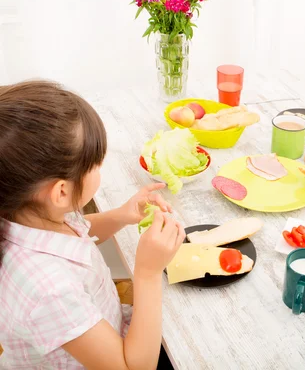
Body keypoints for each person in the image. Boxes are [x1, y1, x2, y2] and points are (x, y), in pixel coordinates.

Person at [0, 80, 185, 369]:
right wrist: (147, 272)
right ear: (61, 191)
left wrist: (121, 215)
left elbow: (74, 232)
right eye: (96, 164)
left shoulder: (24, 210)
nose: (100, 168)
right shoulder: (49, 290)